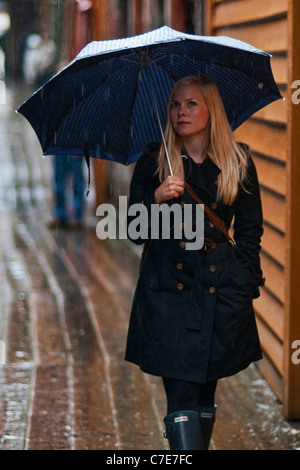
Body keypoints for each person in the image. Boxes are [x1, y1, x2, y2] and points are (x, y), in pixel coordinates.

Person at [125, 76, 265, 450]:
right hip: (170, 296)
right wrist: (155, 198)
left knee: (203, 397)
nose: (181, 112)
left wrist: (243, 281)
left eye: (191, 104)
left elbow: (250, 232)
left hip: (219, 296)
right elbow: (132, 231)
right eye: (175, 105)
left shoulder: (238, 162)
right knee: (182, 397)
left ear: (210, 111)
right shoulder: (154, 163)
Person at [49, 154, 85, 229]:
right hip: (59, 147)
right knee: (59, 180)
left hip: (76, 146)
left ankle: (77, 216)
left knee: (77, 181)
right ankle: (60, 215)